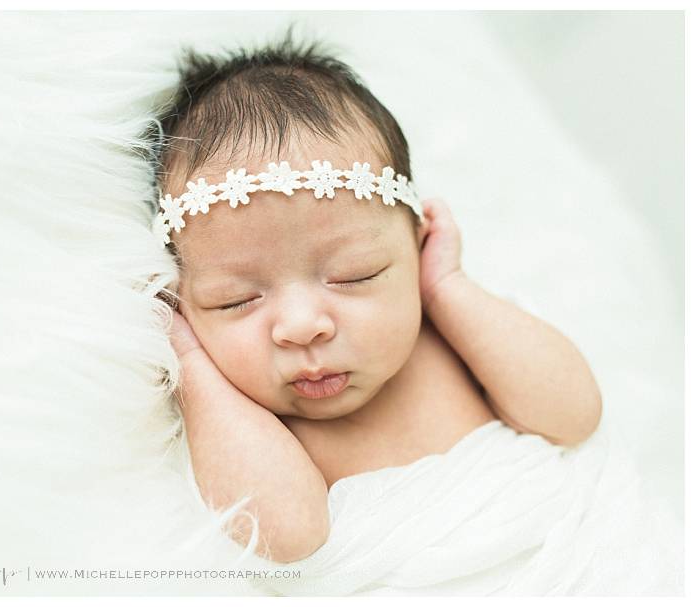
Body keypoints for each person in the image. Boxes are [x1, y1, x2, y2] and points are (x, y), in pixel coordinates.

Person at [146, 29, 602, 566]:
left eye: (354, 275)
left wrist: (446, 287)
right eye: (235, 300)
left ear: (418, 243)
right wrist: (192, 365)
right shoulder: (248, 419)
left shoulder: (454, 336)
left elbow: (575, 416)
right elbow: (286, 536)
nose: (302, 325)